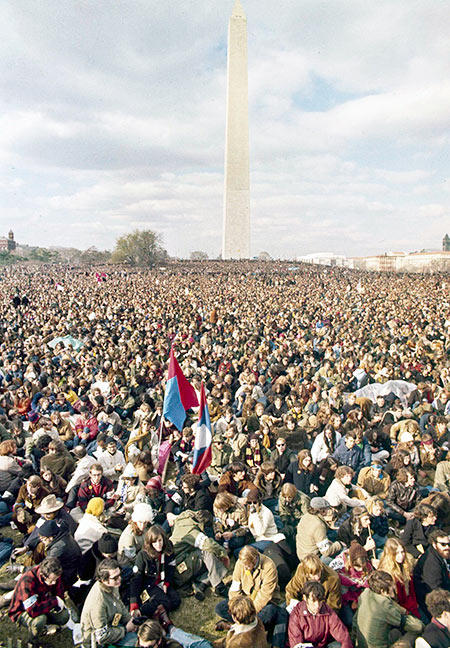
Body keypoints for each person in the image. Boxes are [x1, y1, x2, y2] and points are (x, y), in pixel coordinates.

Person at [215, 546, 287, 648]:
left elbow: (264, 597)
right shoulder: (241, 563)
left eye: (247, 566)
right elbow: (234, 589)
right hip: (244, 602)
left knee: (276, 612)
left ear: (255, 560)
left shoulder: (269, 566)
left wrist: (247, 612)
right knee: (220, 608)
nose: (244, 568)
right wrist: (236, 607)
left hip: (264, 605)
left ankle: (238, 626)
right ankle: (241, 626)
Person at [355, 571, 423, 648]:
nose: (394, 587)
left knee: (395, 633)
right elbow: (417, 626)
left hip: (362, 644)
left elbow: (355, 621)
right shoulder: (384, 605)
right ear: (383, 591)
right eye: (391, 586)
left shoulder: (365, 593)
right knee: (415, 631)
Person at [80, 558, 138, 647]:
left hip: (113, 624)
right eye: (115, 578)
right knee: (136, 641)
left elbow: (120, 605)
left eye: (119, 575)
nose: (119, 579)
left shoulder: (112, 585)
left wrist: (130, 620)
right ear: (103, 580)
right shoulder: (98, 603)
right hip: (99, 641)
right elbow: (101, 636)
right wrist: (125, 629)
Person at [8, 556, 70, 640]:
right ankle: (32, 640)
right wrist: (54, 601)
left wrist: (59, 602)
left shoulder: (53, 575)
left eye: (56, 579)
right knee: (40, 620)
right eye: (52, 581)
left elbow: (59, 594)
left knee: (64, 615)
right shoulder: (27, 581)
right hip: (23, 610)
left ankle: (46, 626)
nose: (54, 582)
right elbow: (32, 611)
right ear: (43, 575)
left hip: (42, 604)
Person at [130, 525, 181, 618]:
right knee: (166, 601)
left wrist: (167, 583)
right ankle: (146, 610)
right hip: (149, 585)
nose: (158, 544)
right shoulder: (143, 555)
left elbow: (171, 567)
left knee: (176, 600)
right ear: (150, 543)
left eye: (160, 540)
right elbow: (136, 580)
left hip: (162, 582)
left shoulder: (168, 547)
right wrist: (133, 604)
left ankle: (156, 607)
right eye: (154, 542)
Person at [287, 580, 352, 648]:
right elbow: (296, 642)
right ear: (305, 598)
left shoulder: (328, 611)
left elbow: (343, 636)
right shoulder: (296, 613)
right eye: (313, 601)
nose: (317, 605)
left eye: (320, 601)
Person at [413, 530, 450, 621]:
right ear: (434, 544)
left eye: (448, 544)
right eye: (443, 544)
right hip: (431, 602)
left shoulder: (438, 554)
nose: (447, 547)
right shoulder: (431, 563)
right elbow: (435, 590)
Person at [378, 538, 420, 617]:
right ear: (391, 554)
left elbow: (411, 589)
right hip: (400, 610)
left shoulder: (406, 565)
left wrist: (414, 603)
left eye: (402, 552)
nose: (401, 556)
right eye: (397, 553)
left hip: (411, 603)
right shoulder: (387, 573)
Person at [296, 497, 343, 562]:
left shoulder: (305, 516)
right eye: (327, 509)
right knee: (342, 550)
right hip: (312, 560)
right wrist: (339, 544)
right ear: (322, 510)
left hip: (302, 554)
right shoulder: (319, 525)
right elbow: (326, 552)